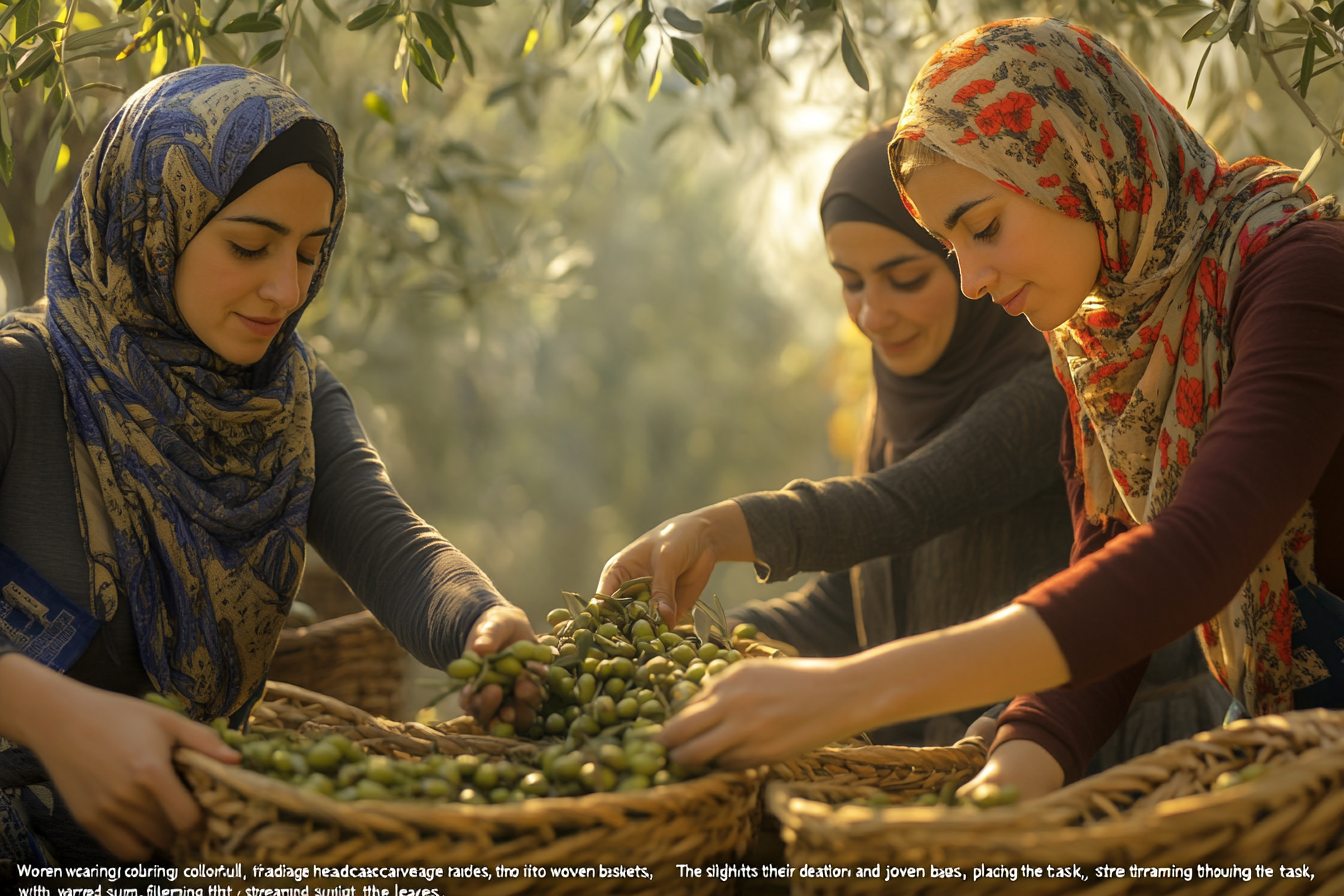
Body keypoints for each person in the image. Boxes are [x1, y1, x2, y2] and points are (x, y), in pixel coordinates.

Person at [616, 17, 1343, 796]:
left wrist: (847, 691)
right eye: (951, 246)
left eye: (985, 228)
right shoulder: (1102, 352)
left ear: (1079, 161)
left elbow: (1194, 554)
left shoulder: (1300, 278)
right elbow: (1106, 574)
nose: (971, 282)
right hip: (1289, 752)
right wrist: (1009, 774)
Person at [0, 66, 534, 864]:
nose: (286, 290)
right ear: (155, 221)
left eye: (312, 254)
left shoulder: (291, 399)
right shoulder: (23, 382)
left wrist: (484, 624)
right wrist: (50, 714)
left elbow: (388, 539)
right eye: (249, 246)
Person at [600, 118, 1227, 755]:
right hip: (953, 774)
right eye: (851, 282)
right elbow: (853, 608)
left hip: (1096, 758)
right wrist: (685, 651)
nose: (874, 314)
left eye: (906, 279)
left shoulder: (1055, 388)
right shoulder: (898, 399)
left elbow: (905, 504)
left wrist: (713, 530)